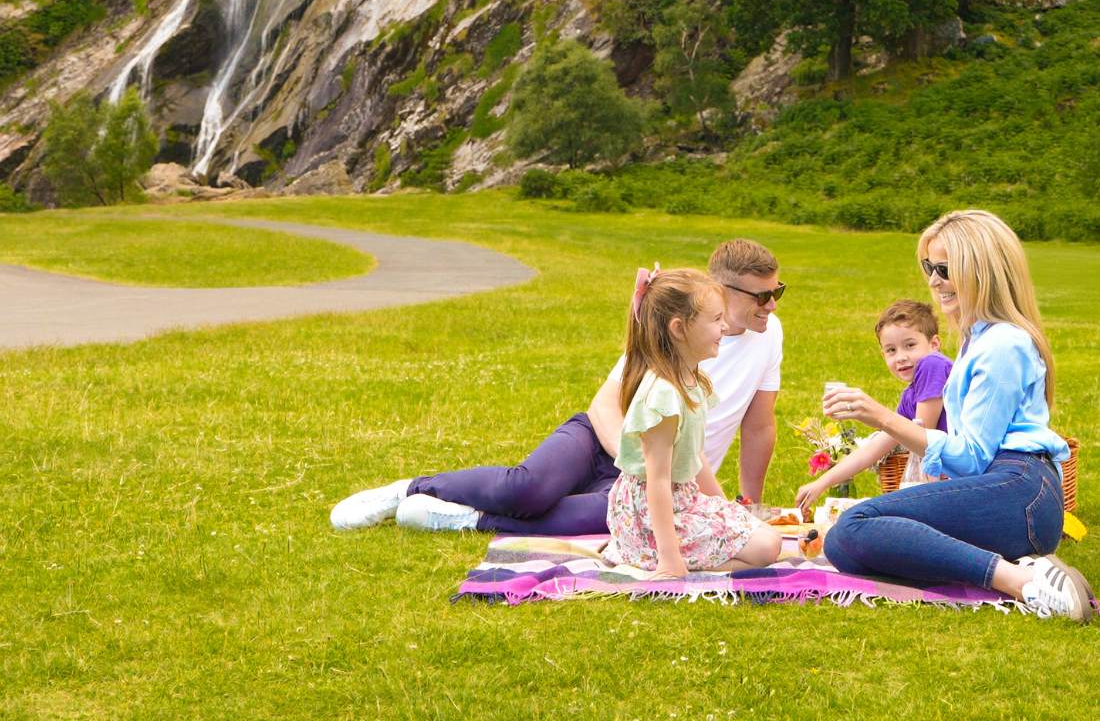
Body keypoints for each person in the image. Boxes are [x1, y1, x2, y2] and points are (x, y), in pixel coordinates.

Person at [329, 238, 784, 535]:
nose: (771, 305)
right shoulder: (675, 334)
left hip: (659, 472)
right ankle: (408, 489)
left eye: (777, 292)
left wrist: (749, 505)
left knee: (607, 518)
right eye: (761, 296)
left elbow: (759, 426)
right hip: (603, 441)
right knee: (527, 490)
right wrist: (634, 460)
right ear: (720, 292)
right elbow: (606, 405)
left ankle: (469, 519)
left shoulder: (771, 337)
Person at [821, 210, 1095, 623]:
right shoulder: (977, 339)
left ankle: (1025, 581)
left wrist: (882, 417)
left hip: (1020, 490)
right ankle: (1018, 570)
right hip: (1013, 493)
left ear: (981, 269)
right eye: (929, 267)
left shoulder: (1003, 343)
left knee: (856, 524)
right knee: (844, 541)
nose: (934, 280)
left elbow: (972, 457)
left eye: (946, 268)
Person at [603, 266, 782, 577]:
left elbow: (695, 456)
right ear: (679, 328)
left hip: (683, 499)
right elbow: (656, 481)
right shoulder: (663, 395)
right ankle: (655, 559)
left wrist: (725, 510)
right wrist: (670, 558)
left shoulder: (691, 379)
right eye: (716, 319)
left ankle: (646, 556)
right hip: (651, 514)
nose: (725, 327)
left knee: (767, 537)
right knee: (766, 547)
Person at [794, 299, 952, 519]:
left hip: (958, 483)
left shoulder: (932, 365)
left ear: (934, 344)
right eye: (891, 350)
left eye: (910, 345)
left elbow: (922, 439)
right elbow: (876, 447)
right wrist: (821, 483)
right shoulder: (910, 396)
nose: (901, 357)